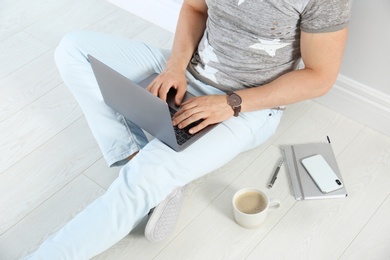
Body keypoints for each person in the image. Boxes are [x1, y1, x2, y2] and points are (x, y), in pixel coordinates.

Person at [27, 0, 352, 258]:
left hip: (246, 108)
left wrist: (231, 103)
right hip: (191, 69)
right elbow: (195, 7)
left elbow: (319, 76)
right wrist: (175, 67)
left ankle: (150, 180)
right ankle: (134, 156)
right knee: (73, 48)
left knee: (141, 182)